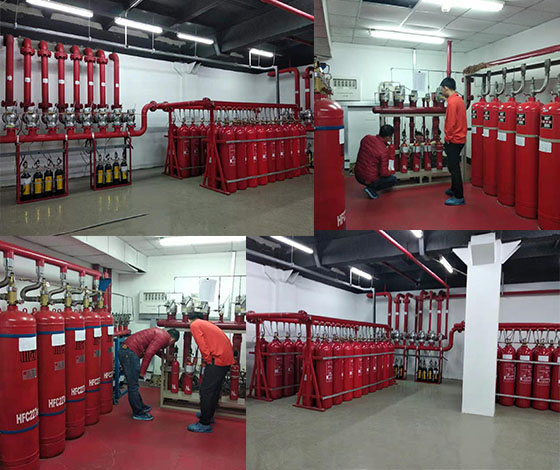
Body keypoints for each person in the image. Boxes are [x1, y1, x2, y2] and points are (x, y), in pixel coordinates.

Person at [187, 312, 234, 433]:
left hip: (217, 360)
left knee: (206, 390)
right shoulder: (207, 324)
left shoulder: (195, 324)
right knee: (215, 389)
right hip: (226, 359)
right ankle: (208, 414)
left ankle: (204, 423)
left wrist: (208, 360)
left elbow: (202, 345)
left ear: (189, 320)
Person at [119, 327, 179, 420]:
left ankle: (140, 406)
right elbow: (149, 353)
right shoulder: (164, 337)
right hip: (129, 353)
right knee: (133, 386)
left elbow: (155, 349)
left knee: (134, 384)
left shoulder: (161, 334)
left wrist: (165, 357)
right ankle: (138, 412)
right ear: (172, 340)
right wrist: (142, 372)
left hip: (127, 351)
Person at [440, 76, 468, 206]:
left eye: (442, 89)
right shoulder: (459, 99)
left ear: (446, 88)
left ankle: (459, 196)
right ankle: (453, 188)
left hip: (454, 140)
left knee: (454, 168)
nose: (441, 91)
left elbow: (450, 123)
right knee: (453, 166)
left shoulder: (451, 102)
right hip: (460, 138)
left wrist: (447, 138)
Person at [355, 124, 398, 199]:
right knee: (393, 179)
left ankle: (370, 184)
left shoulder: (366, 138)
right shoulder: (383, 151)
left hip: (358, 175)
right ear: (388, 137)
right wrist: (391, 171)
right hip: (369, 179)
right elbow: (384, 173)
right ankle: (371, 188)